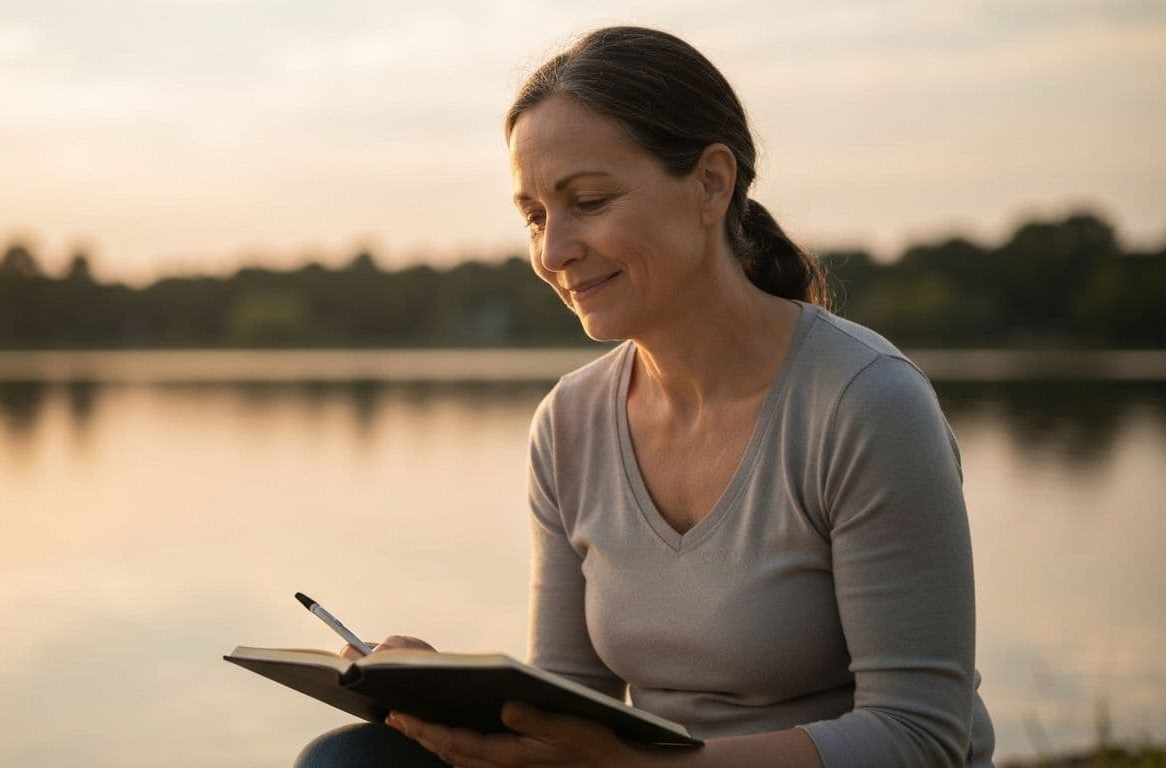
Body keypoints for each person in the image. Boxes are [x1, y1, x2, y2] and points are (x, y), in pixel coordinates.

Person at [295, 25, 995, 768]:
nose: (553, 251)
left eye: (588, 201)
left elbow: (921, 739)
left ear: (711, 185)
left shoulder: (865, 405)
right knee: (353, 760)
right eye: (534, 216)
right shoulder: (570, 424)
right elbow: (569, 703)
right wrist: (457, 699)